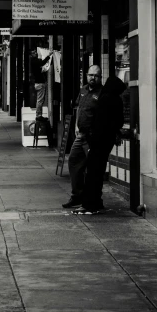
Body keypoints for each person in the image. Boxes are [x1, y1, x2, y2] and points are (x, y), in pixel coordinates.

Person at [78, 75, 125, 214]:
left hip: (98, 141)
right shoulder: (117, 100)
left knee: (92, 172)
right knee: (98, 171)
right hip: (107, 141)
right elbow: (119, 121)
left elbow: (99, 121)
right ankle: (95, 202)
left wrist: (91, 137)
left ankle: (89, 204)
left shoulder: (105, 99)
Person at [62, 65, 103, 210]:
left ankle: (95, 199)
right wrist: (76, 127)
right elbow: (78, 107)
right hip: (81, 134)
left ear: (100, 77)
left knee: (93, 169)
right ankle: (77, 196)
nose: (93, 78)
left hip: (92, 137)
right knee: (73, 161)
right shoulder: (84, 90)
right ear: (87, 75)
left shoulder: (101, 93)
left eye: (96, 76)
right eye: (91, 75)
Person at [29, 45, 52, 118]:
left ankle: (39, 114)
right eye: (33, 53)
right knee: (40, 100)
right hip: (40, 83)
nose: (35, 53)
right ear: (31, 55)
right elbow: (42, 63)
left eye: (35, 52)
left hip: (38, 83)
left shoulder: (34, 61)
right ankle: (38, 115)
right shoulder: (34, 61)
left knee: (40, 100)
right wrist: (48, 56)